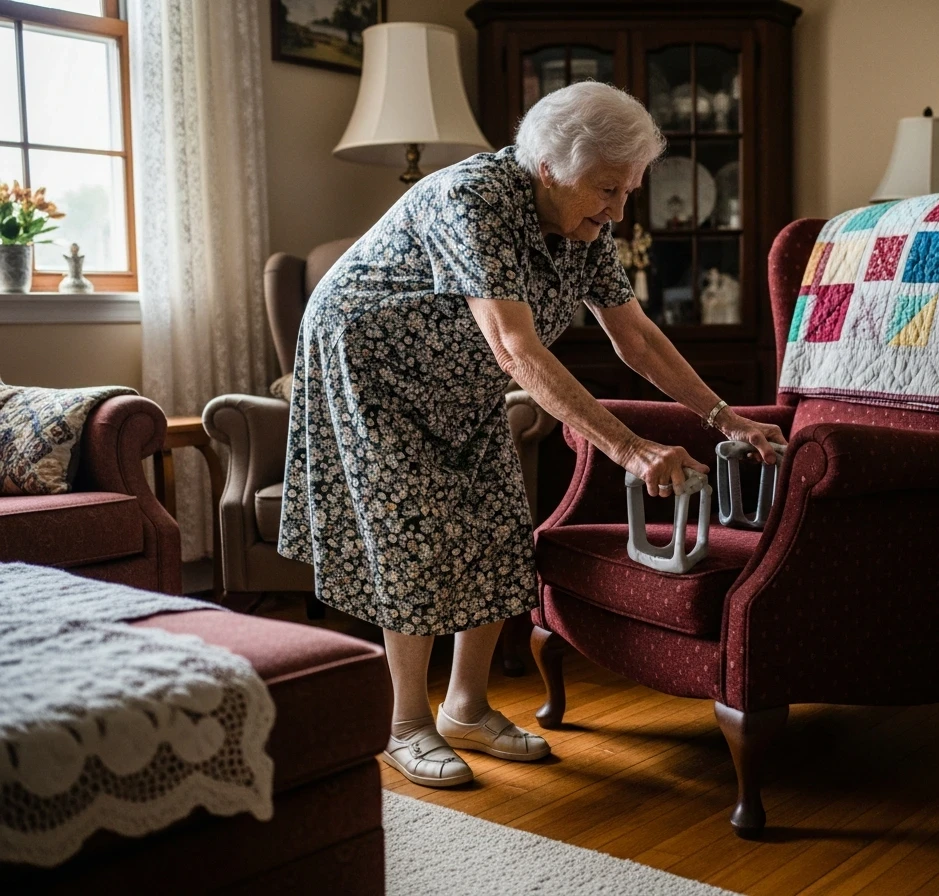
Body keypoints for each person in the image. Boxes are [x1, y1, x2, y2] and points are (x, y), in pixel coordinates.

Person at [276, 82, 787, 788]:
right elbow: (515, 347)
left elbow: (634, 337)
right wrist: (631, 449)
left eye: (628, 190)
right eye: (605, 189)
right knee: (415, 537)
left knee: (497, 528)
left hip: (461, 372)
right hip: (372, 364)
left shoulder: (588, 226)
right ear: (548, 167)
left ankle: (465, 708)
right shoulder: (474, 198)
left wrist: (723, 415)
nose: (616, 209)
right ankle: (404, 725)